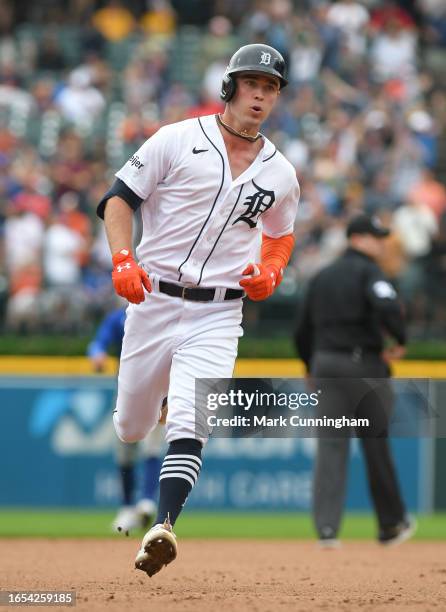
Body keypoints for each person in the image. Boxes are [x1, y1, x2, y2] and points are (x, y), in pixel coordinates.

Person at [97, 43, 300, 576]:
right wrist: (122, 258)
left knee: (192, 419)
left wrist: (272, 270)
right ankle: (152, 406)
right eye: (253, 83)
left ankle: (162, 526)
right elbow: (118, 199)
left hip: (219, 312)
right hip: (154, 299)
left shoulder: (281, 172)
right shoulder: (177, 138)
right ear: (230, 86)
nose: (261, 94)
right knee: (132, 428)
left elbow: (281, 234)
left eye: (271, 86)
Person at [294, 214, 416, 548]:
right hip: (363, 365)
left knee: (331, 448)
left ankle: (327, 531)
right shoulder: (369, 271)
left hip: (326, 365)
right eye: (375, 237)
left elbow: (302, 329)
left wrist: (309, 364)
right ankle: (390, 525)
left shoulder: (321, 276)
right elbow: (388, 305)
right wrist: (399, 338)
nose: (380, 243)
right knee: (375, 445)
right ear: (357, 239)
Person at [87, 306, 166, 533]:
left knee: (151, 446)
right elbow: (98, 343)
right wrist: (97, 354)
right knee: (125, 450)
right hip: (126, 390)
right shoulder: (121, 316)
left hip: (158, 389)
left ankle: (147, 501)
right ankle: (127, 508)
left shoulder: (164, 310)